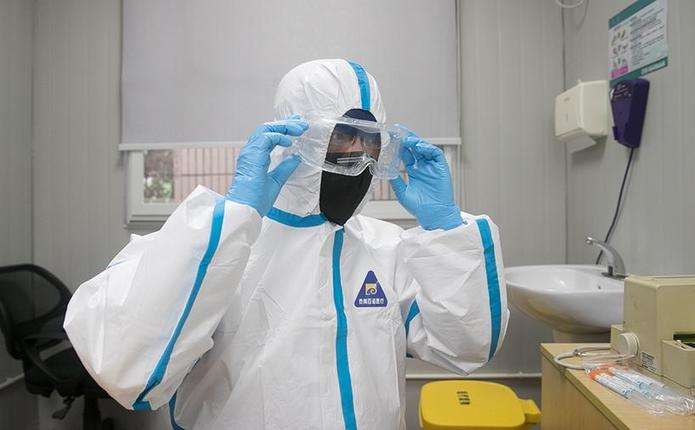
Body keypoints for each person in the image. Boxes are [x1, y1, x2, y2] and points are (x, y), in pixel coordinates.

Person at [64, 59, 509, 430]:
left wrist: (446, 230)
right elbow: (128, 368)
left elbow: (466, 347)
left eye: (371, 138)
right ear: (300, 135)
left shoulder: (387, 248)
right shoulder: (215, 248)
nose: (358, 153)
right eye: (343, 135)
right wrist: (236, 217)